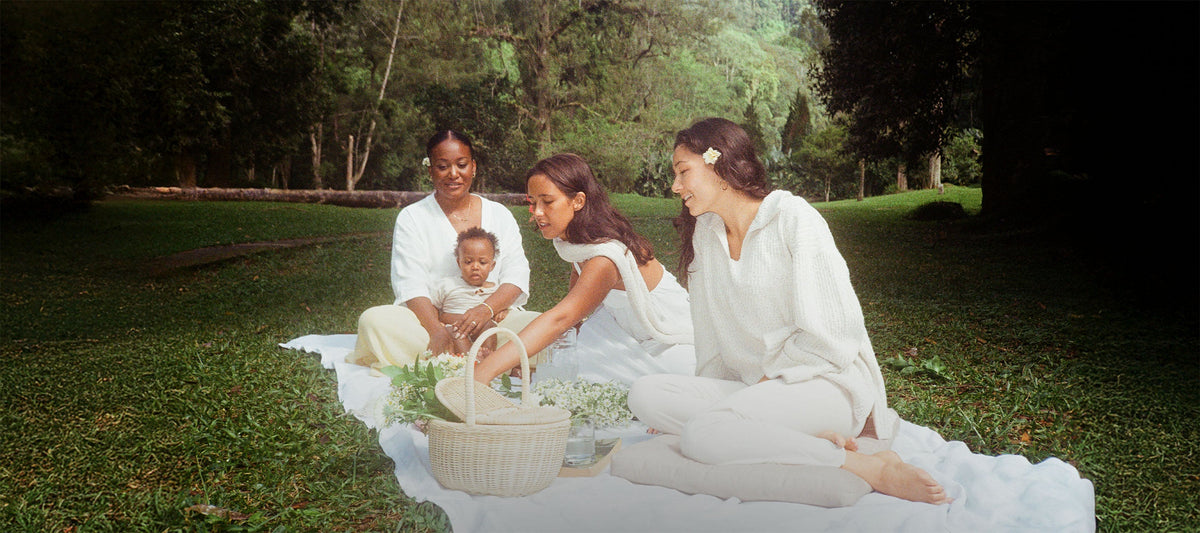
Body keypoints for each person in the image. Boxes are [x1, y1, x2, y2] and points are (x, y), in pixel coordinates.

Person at [627, 118, 951, 505]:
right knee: (645, 395)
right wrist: (723, 401)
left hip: (824, 384)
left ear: (719, 166)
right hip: (758, 391)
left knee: (700, 435)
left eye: (683, 172)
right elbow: (711, 343)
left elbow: (835, 335)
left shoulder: (793, 219)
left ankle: (868, 466)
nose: (675, 186)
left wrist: (742, 401)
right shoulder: (706, 235)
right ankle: (783, 437)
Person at [473, 153, 695, 386]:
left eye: (547, 202)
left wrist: (488, 369)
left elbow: (561, 318)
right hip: (632, 335)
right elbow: (572, 320)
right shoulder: (577, 245)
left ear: (578, 201)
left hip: (672, 346)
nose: (538, 212)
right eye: (533, 202)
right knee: (569, 362)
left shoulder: (604, 258)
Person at [347, 130, 539, 370]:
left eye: (461, 165)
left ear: (474, 167)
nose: (454, 174)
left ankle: (451, 362)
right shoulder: (412, 217)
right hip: (433, 322)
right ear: (430, 171)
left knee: (542, 326)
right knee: (374, 321)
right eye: (442, 166)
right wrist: (437, 330)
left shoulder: (499, 214)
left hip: (493, 321)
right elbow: (410, 284)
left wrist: (486, 310)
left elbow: (516, 275)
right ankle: (502, 362)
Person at [430, 227, 511, 356]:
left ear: (492, 266)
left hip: (481, 327)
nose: (475, 267)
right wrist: (437, 321)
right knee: (456, 332)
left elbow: (503, 306)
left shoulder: (495, 289)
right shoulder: (448, 284)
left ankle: (487, 355)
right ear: (459, 263)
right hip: (454, 326)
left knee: (490, 327)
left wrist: (503, 310)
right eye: (468, 262)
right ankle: (469, 360)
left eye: (482, 262)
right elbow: (432, 305)